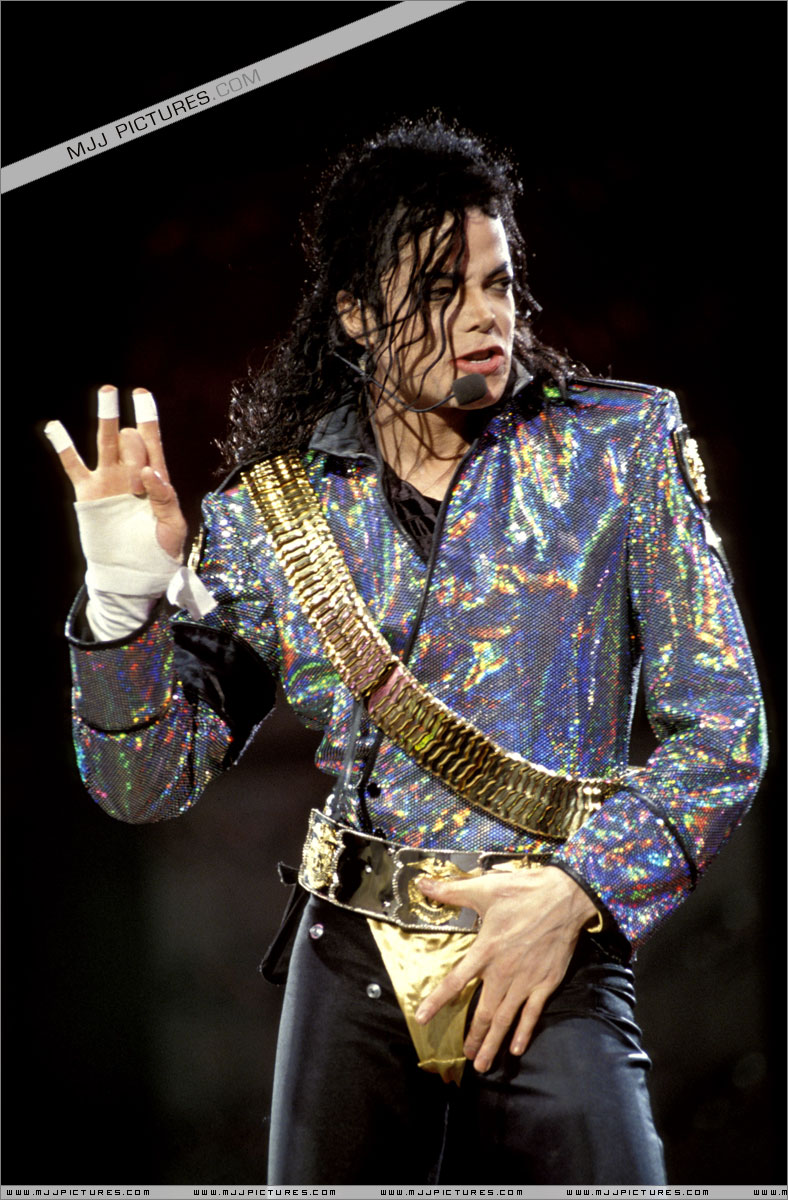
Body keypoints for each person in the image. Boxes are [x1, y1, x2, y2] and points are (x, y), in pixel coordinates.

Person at [45, 117, 766, 1185]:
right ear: (356, 312)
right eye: (438, 291)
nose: (483, 316)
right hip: (352, 965)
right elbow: (144, 782)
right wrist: (120, 602)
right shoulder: (273, 514)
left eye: (496, 282)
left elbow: (725, 732)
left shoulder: (619, 450)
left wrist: (578, 891)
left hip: (551, 946)